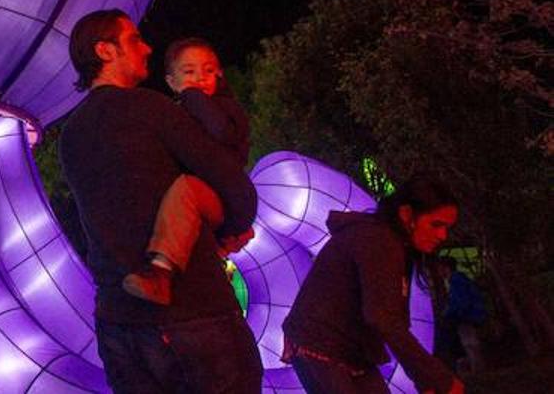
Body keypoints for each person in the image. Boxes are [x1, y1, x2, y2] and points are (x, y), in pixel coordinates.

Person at [59, 9, 262, 394]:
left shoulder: (71, 135)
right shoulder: (151, 108)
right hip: (194, 314)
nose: (148, 47)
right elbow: (233, 185)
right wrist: (233, 225)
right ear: (105, 51)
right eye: (134, 40)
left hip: (118, 323)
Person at [283, 177, 463, 394]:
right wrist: (437, 379)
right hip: (319, 346)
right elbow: (384, 317)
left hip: (352, 351)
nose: (442, 235)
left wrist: (427, 380)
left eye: (446, 228)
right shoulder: (378, 241)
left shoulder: (393, 244)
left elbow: (391, 317)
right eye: (436, 224)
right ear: (407, 214)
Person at [123, 37, 251, 305]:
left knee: (187, 190)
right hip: (209, 201)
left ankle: (161, 271)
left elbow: (222, 132)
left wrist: (191, 95)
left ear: (219, 75)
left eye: (208, 70)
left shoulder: (224, 108)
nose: (200, 78)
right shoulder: (176, 115)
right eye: (189, 72)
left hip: (227, 193)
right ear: (171, 81)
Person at [438, 257, 485, 372]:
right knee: (468, 340)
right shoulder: (458, 279)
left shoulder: (456, 280)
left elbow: (460, 301)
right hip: (468, 314)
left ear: (446, 268)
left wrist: (449, 313)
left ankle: (477, 368)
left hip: (466, 315)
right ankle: (476, 367)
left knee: (469, 341)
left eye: (440, 268)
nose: (439, 271)